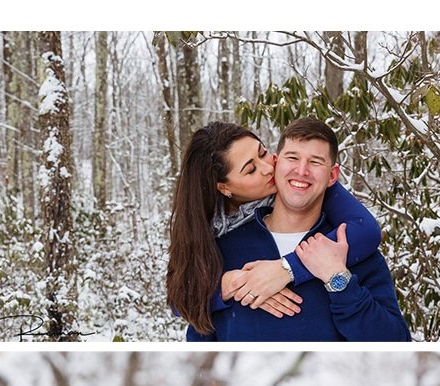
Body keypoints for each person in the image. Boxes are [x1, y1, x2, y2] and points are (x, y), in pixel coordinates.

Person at [171, 118, 410, 341]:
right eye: (292, 158)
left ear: (332, 175)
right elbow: (189, 314)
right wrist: (229, 285)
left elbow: (397, 343)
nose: (301, 170)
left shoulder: (349, 246)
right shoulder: (220, 250)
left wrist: (336, 279)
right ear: (224, 187)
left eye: (263, 154)